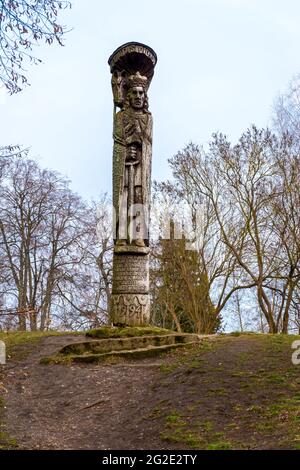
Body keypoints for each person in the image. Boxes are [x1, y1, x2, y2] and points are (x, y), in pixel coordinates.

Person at [112, 72, 153, 247]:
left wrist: (141, 145)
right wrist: (126, 150)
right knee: (123, 198)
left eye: (141, 93)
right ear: (128, 96)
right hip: (124, 167)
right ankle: (121, 235)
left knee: (138, 198)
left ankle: (137, 235)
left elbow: (148, 141)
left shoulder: (148, 118)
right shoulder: (120, 117)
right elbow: (117, 139)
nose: (138, 96)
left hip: (139, 169)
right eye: (134, 93)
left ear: (145, 96)